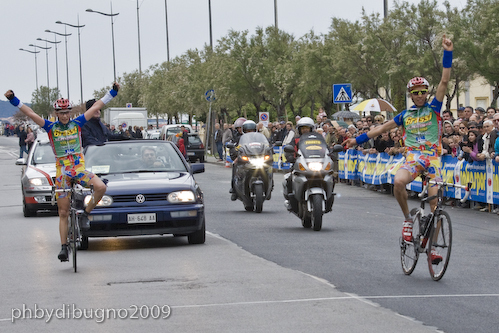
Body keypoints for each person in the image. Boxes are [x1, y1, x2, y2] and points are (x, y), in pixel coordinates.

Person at [344, 36, 453, 264]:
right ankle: (406, 219)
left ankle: (431, 247)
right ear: (410, 95)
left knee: (436, 205)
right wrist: (357, 139)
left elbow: (444, 82)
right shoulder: (405, 115)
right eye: (416, 92)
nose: (421, 95)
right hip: (413, 158)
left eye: (423, 91)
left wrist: (447, 53)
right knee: (398, 181)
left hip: (432, 160)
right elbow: (382, 128)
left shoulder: (434, 109)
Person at [5, 83, 119, 262]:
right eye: (61, 113)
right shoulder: (50, 127)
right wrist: (13, 100)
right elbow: (31, 113)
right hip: (63, 173)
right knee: (63, 212)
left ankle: (85, 214)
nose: (65, 116)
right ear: (56, 114)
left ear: (70, 113)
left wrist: (112, 92)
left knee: (100, 188)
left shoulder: (78, 122)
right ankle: (64, 247)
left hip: (79, 170)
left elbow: (97, 106)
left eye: (67, 112)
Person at [229, 119, 256, 200]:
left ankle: (270, 182)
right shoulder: (237, 137)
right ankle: (234, 188)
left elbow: (264, 144)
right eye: (239, 128)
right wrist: (235, 155)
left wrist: (269, 149)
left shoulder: (256, 137)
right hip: (243, 158)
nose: (240, 130)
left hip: (256, 158)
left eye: (250, 130)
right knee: (235, 165)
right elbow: (233, 147)